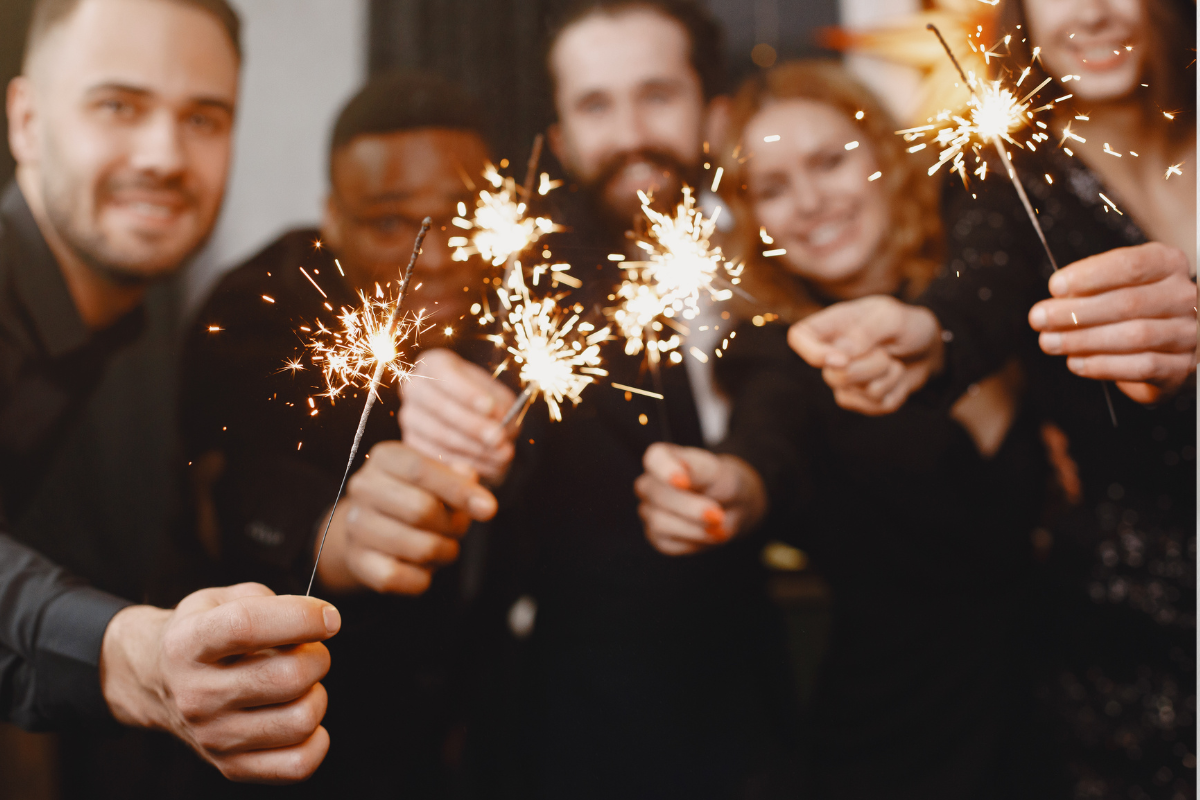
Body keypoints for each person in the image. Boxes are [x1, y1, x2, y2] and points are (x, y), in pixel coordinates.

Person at [786, 0, 1196, 795]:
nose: (1092, 12)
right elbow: (973, 297)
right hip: (1126, 640)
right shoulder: (1007, 180)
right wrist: (927, 338)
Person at [399, 2, 797, 797]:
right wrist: (447, 405)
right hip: (581, 737)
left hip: (771, 719)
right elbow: (495, 380)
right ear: (564, 134)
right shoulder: (533, 285)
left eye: (656, 95)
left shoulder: (783, 250)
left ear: (713, 113)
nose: (629, 134)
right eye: (595, 105)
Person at [633, 60, 1053, 798]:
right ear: (751, 217)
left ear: (887, 160)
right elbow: (768, 448)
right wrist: (732, 486)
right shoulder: (779, 356)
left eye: (830, 161)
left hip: (1062, 729)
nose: (808, 202)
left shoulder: (991, 285)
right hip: (891, 754)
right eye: (771, 188)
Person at [1, 0, 343, 791]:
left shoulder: (146, 318)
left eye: (203, 118)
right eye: (118, 106)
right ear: (25, 120)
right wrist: (131, 655)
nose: (163, 155)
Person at [181, 71, 502, 796]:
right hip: (297, 748)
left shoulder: (513, 307)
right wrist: (350, 533)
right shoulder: (259, 309)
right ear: (332, 216)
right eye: (392, 223)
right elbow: (255, 490)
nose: (442, 255)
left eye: (463, 217)